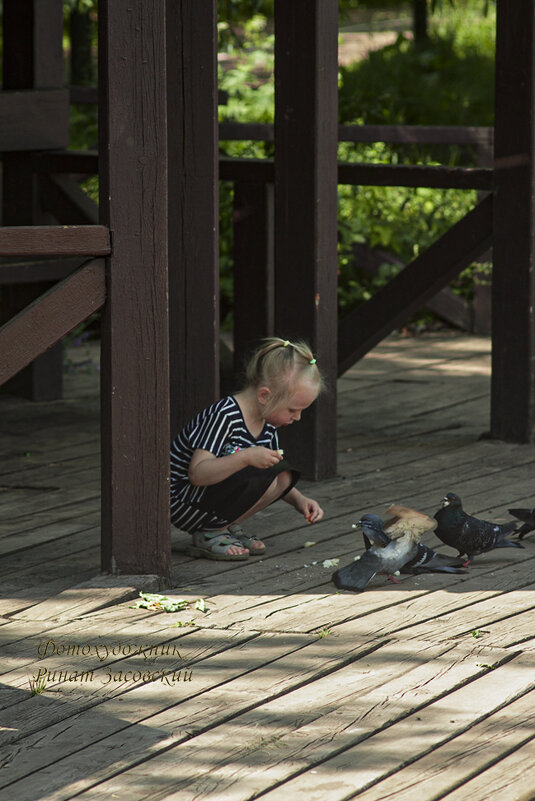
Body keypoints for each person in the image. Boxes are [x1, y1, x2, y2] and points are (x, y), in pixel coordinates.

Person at [170, 337, 325, 560]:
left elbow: (272, 473)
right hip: (182, 500)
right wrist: (245, 457)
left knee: (281, 474)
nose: (297, 418)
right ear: (264, 396)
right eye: (292, 409)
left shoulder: (268, 423)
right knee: (265, 473)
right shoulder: (224, 415)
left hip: (208, 499)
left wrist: (300, 500)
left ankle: (225, 526)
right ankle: (210, 533)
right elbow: (197, 474)